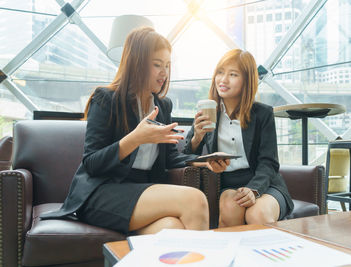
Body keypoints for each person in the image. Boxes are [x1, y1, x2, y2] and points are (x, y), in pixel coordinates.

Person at [41, 27, 229, 234]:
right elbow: (91, 163)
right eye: (157, 65)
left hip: (141, 191)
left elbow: (169, 159)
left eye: (167, 66)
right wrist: (135, 139)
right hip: (101, 192)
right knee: (195, 200)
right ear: (137, 64)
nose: (164, 73)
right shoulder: (105, 99)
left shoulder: (163, 106)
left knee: (172, 229)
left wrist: (205, 160)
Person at [184, 49, 294, 227]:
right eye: (220, 72)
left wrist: (254, 189)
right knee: (230, 207)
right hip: (228, 185)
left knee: (257, 215)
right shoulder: (209, 112)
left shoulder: (263, 114)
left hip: (265, 186)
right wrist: (197, 137)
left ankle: (270, 254)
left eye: (233, 74)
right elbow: (186, 155)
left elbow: (269, 162)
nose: (223, 80)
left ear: (246, 81)